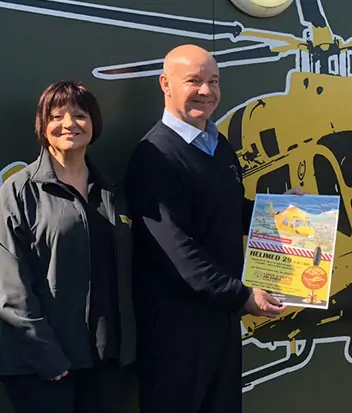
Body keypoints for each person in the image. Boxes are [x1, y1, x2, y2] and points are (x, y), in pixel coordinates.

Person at [124, 44, 298, 413]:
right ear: (165, 85)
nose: (207, 91)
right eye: (194, 81)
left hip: (220, 323)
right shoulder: (154, 156)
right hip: (176, 332)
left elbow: (231, 213)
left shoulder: (219, 147)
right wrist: (242, 296)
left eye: (214, 81)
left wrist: (288, 213)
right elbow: (177, 251)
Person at [0, 81, 137, 413]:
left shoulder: (111, 192)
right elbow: (11, 290)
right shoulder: (19, 192)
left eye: (80, 115)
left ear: (94, 123)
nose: (69, 124)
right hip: (42, 369)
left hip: (105, 365)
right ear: (43, 127)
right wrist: (48, 358)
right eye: (57, 116)